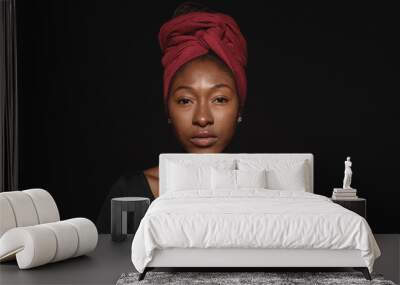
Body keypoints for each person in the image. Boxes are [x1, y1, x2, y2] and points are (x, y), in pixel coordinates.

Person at [96, 2, 248, 233]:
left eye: (219, 99)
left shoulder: (268, 191)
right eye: (185, 100)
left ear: (239, 109)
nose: (203, 118)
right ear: (168, 110)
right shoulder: (131, 193)